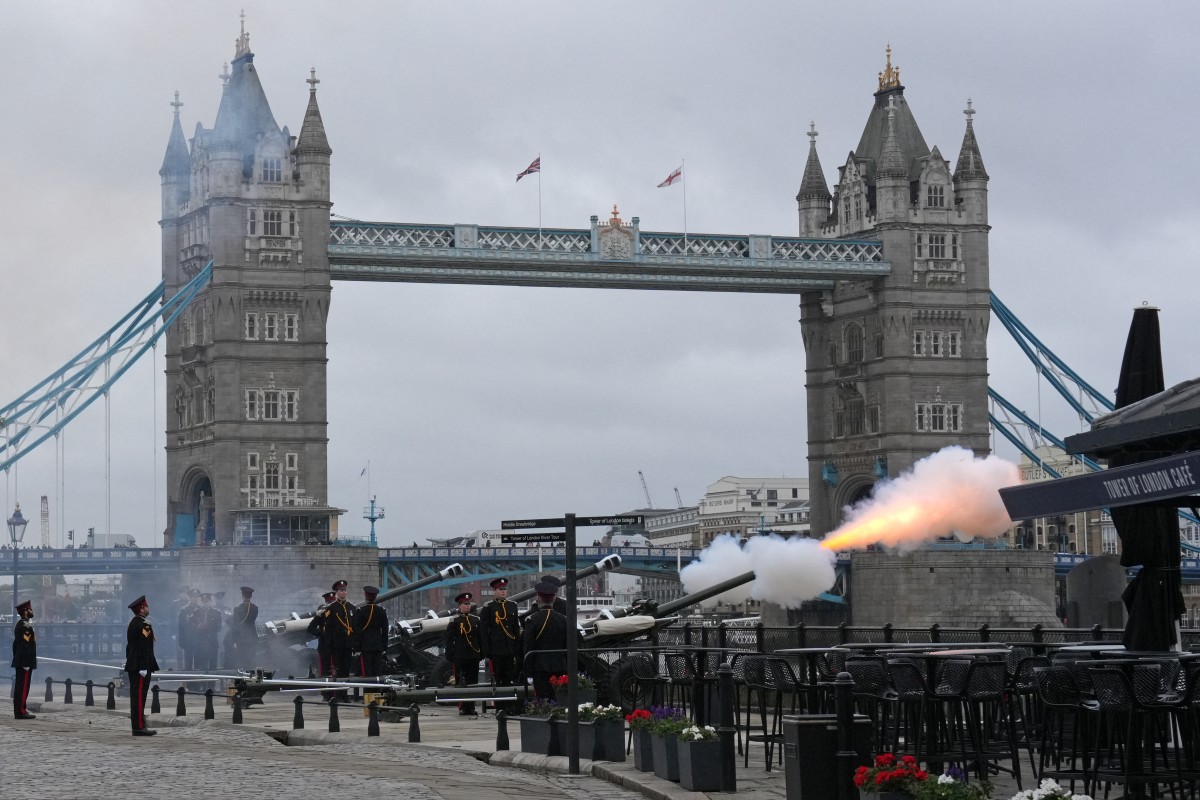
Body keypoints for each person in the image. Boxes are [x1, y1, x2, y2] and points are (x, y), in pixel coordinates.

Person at [479, 577, 521, 710]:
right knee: (497, 679)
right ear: (494, 591)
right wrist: (486, 650)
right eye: (500, 589)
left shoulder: (512, 605)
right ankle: (499, 707)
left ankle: (508, 706)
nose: (503, 592)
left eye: (504, 589)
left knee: (508, 678)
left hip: (509, 648)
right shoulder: (489, 607)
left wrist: (517, 646)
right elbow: (484, 631)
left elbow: (515, 628)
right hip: (496, 649)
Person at [522, 580, 568, 702]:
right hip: (560, 666)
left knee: (543, 701)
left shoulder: (532, 620)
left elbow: (528, 648)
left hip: (540, 667)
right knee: (560, 700)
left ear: (538, 598)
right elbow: (567, 645)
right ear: (554, 598)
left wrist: (528, 673)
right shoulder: (563, 620)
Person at [124, 595, 159, 736]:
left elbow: (130, 647)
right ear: (142, 608)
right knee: (139, 697)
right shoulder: (144, 625)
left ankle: (139, 725)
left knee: (136, 697)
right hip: (140, 666)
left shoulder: (133, 623)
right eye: (147, 606)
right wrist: (144, 666)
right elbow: (144, 647)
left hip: (134, 664)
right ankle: (139, 727)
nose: (148, 608)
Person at [443, 591, 482, 715]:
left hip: (473, 655)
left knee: (473, 682)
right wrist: (450, 655)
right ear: (460, 606)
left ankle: (471, 707)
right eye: (465, 604)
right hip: (460, 656)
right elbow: (449, 640)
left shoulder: (476, 620)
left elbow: (480, 638)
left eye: (469, 604)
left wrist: (481, 653)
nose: (467, 606)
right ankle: (463, 707)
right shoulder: (454, 620)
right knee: (461, 682)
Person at [325, 580, 356, 694]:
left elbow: (355, 626)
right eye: (341, 590)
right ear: (336, 592)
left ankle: (345, 694)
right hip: (337, 644)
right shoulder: (332, 608)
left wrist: (355, 643)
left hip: (348, 644)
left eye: (345, 590)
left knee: (346, 670)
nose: (343, 592)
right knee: (337, 670)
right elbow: (328, 629)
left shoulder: (351, 607)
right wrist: (329, 645)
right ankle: (338, 694)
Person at [353, 585, 388, 677]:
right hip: (378, 646)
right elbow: (385, 630)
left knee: (367, 674)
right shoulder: (381, 611)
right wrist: (384, 646)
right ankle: (377, 687)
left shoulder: (360, 611)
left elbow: (357, 631)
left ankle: (369, 687)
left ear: (365, 595)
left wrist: (357, 648)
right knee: (377, 673)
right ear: (375, 597)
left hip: (365, 646)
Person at [11, 600, 36, 719]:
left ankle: (21, 710)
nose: (32, 611)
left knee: (21, 686)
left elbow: (15, 645)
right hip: (25, 661)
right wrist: (26, 661)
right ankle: (20, 712)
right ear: (25, 611)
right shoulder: (25, 626)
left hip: (21, 659)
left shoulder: (20, 624)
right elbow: (25, 645)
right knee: (23, 687)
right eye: (30, 609)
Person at [307, 590, 336, 679]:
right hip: (325, 646)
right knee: (325, 672)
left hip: (336, 646)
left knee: (337, 672)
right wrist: (321, 634)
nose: (331, 604)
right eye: (330, 602)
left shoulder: (339, 613)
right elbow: (310, 628)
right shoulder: (322, 614)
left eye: (333, 602)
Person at [230, 586, 259, 667]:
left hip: (241, 637)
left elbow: (235, 625)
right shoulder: (255, 608)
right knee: (251, 659)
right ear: (251, 596)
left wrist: (234, 639)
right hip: (252, 637)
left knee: (242, 659)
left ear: (242, 596)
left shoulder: (237, 609)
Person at [177, 588, 200, 670]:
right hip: (188, 639)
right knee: (188, 663)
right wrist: (181, 639)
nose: (195, 599)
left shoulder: (201, 609)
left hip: (199, 639)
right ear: (190, 598)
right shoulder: (184, 610)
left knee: (199, 664)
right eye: (193, 597)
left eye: (196, 597)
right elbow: (181, 627)